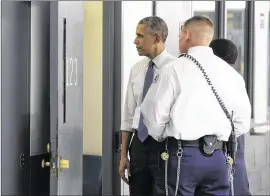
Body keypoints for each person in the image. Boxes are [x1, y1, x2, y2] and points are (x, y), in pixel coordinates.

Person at [140, 15, 252, 196]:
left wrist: (164, 138)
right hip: (219, 158)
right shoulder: (232, 74)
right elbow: (241, 123)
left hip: (182, 155)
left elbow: (153, 114)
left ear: (186, 34)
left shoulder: (173, 69)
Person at [119, 16, 177, 196]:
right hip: (139, 145)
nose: (135, 41)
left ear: (157, 38)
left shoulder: (176, 68)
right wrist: (123, 156)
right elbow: (128, 115)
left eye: (140, 36)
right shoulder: (136, 69)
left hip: (164, 145)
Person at [209, 38, 251, 196]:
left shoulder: (212, 77)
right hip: (234, 138)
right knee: (236, 182)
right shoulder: (236, 78)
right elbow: (242, 121)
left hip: (221, 142)